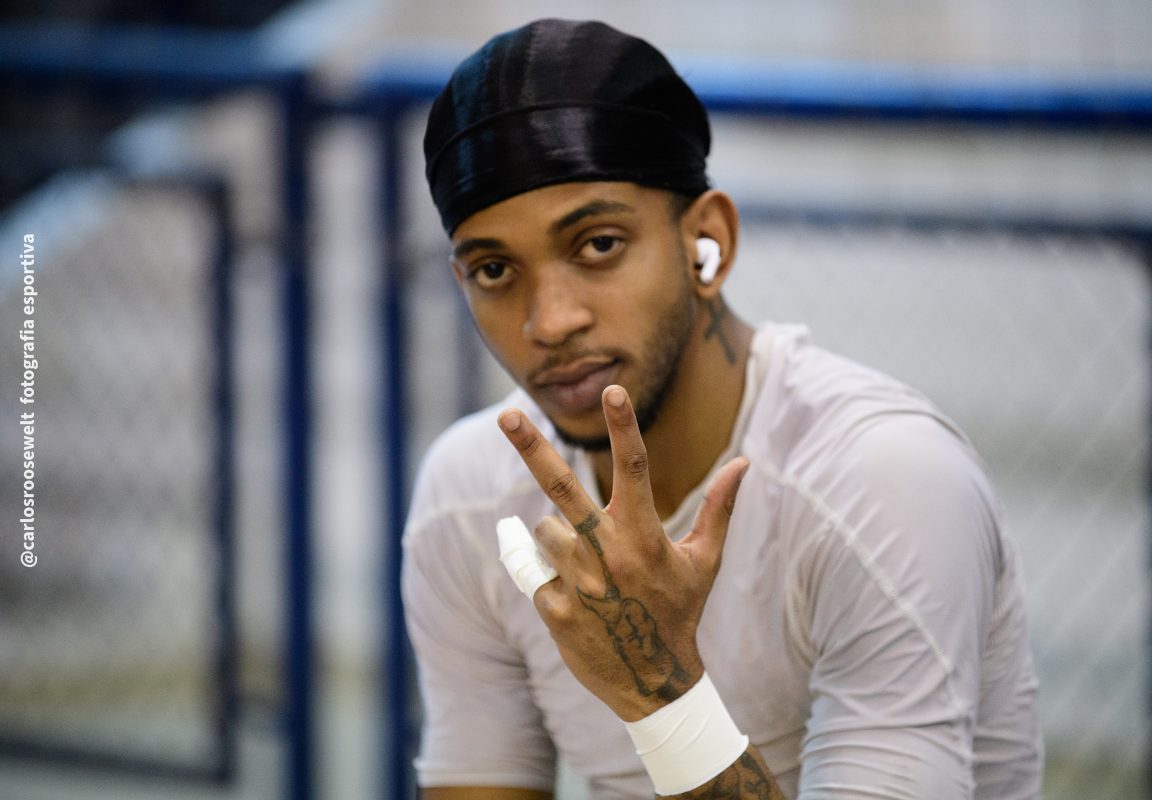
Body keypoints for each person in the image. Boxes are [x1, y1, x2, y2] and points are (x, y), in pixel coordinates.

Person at [403, 18, 1042, 800]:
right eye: (495, 269)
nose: (551, 320)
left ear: (708, 241)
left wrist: (661, 692)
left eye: (598, 244)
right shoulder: (475, 498)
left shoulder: (883, 481)